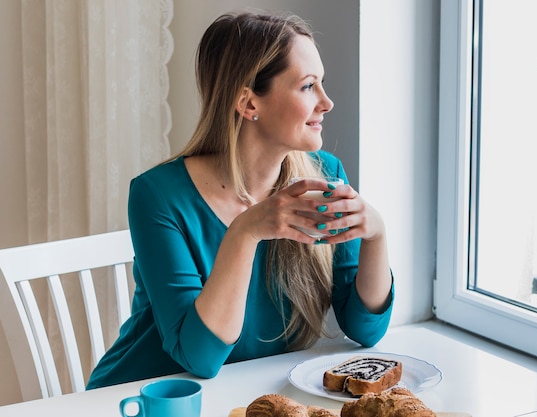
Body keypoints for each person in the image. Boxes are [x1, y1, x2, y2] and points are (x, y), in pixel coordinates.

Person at [87, 10, 394, 389]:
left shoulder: (325, 177)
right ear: (249, 104)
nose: (327, 102)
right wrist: (245, 231)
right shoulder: (158, 196)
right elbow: (200, 358)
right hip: (144, 399)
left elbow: (365, 329)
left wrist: (376, 236)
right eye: (308, 86)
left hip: (243, 398)